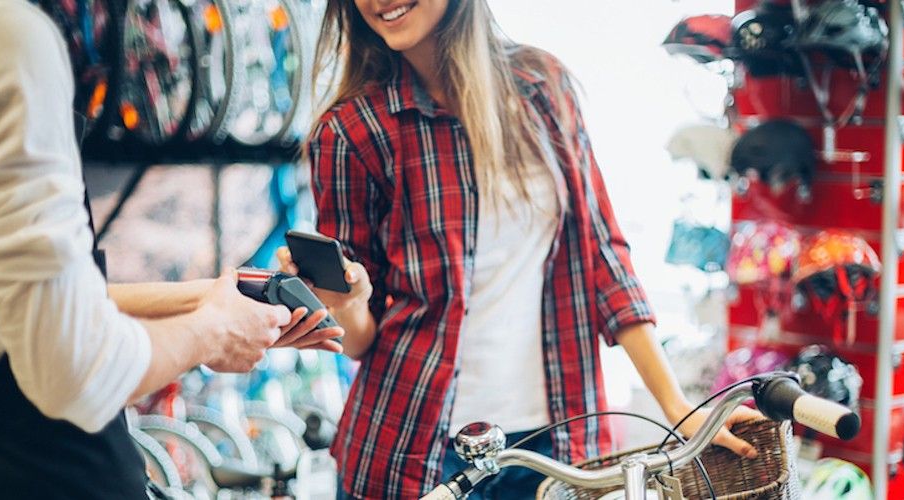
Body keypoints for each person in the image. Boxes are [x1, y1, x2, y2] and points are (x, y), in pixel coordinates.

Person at [275, 1, 763, 498]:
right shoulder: (354, 130)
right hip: (413, 451)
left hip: (554, 446)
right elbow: (358, 339)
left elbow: (603, 257)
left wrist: (676, 405)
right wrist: (348, 301)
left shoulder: (543, 86)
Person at [0, 2, 342, 498]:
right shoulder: (5, 42)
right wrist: (211, 332)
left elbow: (32, 308)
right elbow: (74, 371)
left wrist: (208, 297)